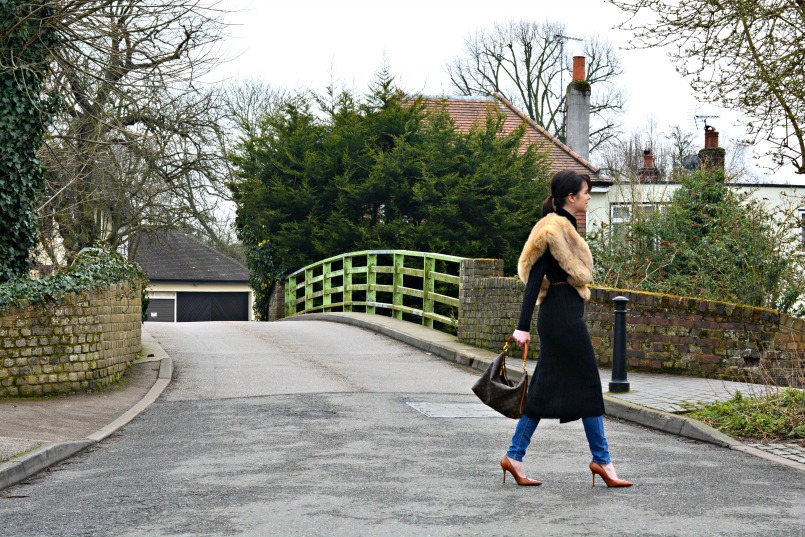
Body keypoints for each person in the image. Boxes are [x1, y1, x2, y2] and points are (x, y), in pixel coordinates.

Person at [499, 170, 633, 488]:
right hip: (561, 317)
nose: (589, 196)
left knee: (543, 389)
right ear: (571, 197)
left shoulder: (566, 226)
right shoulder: (552, 229)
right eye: (586, 192)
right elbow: (534, 279)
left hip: (563, 313)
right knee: (588, 384)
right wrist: (522, 327)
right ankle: (602, 462)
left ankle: (514, 457)